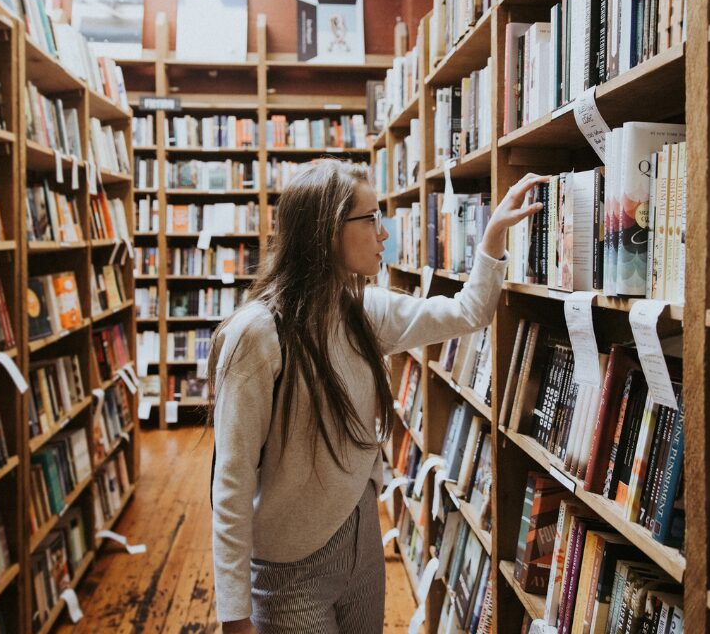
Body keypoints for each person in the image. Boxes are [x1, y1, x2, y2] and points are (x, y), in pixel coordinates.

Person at [209, 159, 544, 634]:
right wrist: (234, 615)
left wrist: (491, 238)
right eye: (371, 219)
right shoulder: (258, 335)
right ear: (328, 232)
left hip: (362, 544)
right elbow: (232, 481)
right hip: (289, 570)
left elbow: (469, 312)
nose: (384, 232)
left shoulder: (366, 310)